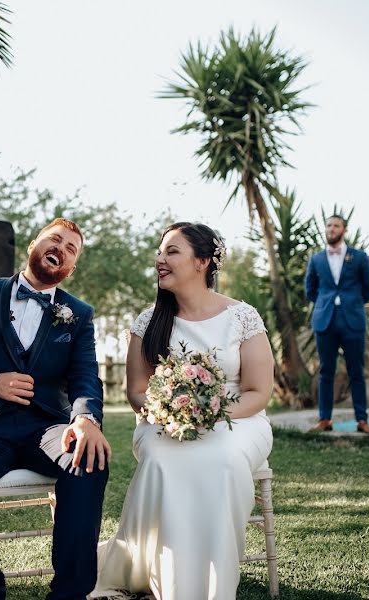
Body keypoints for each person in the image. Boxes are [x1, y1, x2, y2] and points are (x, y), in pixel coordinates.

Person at [0, 218, 111, 600]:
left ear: (71, 267)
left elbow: (85, 377)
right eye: (55, 239)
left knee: (88, 457)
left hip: (47, 427)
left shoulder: (78, 313)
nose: (61, 247)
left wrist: (85, 418)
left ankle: (69, 593)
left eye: (71, 248)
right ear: (33, 244)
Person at [93, 222, 274, 600]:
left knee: (223, 458)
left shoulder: (242, 317)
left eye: (171, 251)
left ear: (202, 262)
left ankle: (212, 585)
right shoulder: (149, 321)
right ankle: (163, 577)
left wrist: (211, 413)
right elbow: (137, 392)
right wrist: (172, 412)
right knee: (161, 457)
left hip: (237, 419)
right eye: (160, 252)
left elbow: (258, 392)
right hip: (164, 420)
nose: (160, 259)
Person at [304, 214, 369, 434]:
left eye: (336, 226)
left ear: (344, 230)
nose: (331, 229)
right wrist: (324, 304)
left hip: (352, 320)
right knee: (326, 371)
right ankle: (324, 419)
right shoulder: (316, 259)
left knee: (356, 371)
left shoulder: (359, 257)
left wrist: (354, 302)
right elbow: (310, 289)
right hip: (324, 320)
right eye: (328, 225)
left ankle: (362, 420)